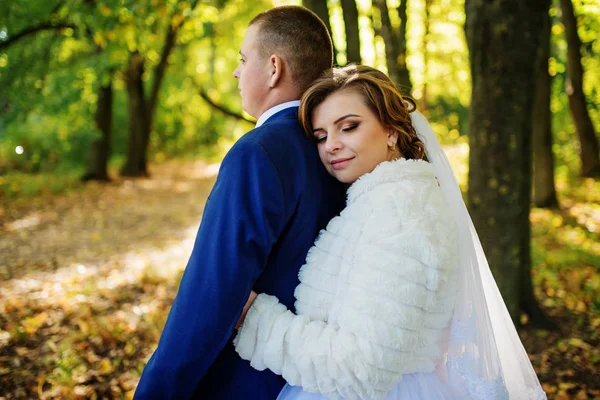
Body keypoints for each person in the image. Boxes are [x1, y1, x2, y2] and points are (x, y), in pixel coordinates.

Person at [233, 65, 547, 400]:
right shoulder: (383, 203)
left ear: (391, 132)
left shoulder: (402, 215)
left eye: (349, 127)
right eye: (321, 136)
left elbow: (360, 370)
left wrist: (256, 319)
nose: (331, 146)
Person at [134, 6, 346, 399]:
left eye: (244, 59)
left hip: (246, 382)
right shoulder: (338, 151)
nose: (236, 72)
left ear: (273, 69)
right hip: (312, 376)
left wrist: (156, 392)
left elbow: (211, 294)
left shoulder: (260, 153)